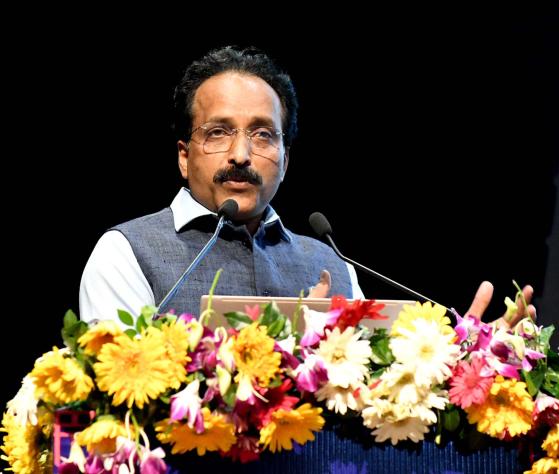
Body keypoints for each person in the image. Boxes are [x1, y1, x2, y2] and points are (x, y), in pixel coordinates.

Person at [79, 46, 535, 327]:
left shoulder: (332, 266)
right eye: (218, 132)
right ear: (184, 155)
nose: (241, 154)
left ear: (285, 158)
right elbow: (116, 392)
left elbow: (382, 400)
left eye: (263, 134)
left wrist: (475, 358)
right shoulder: (126, 253)